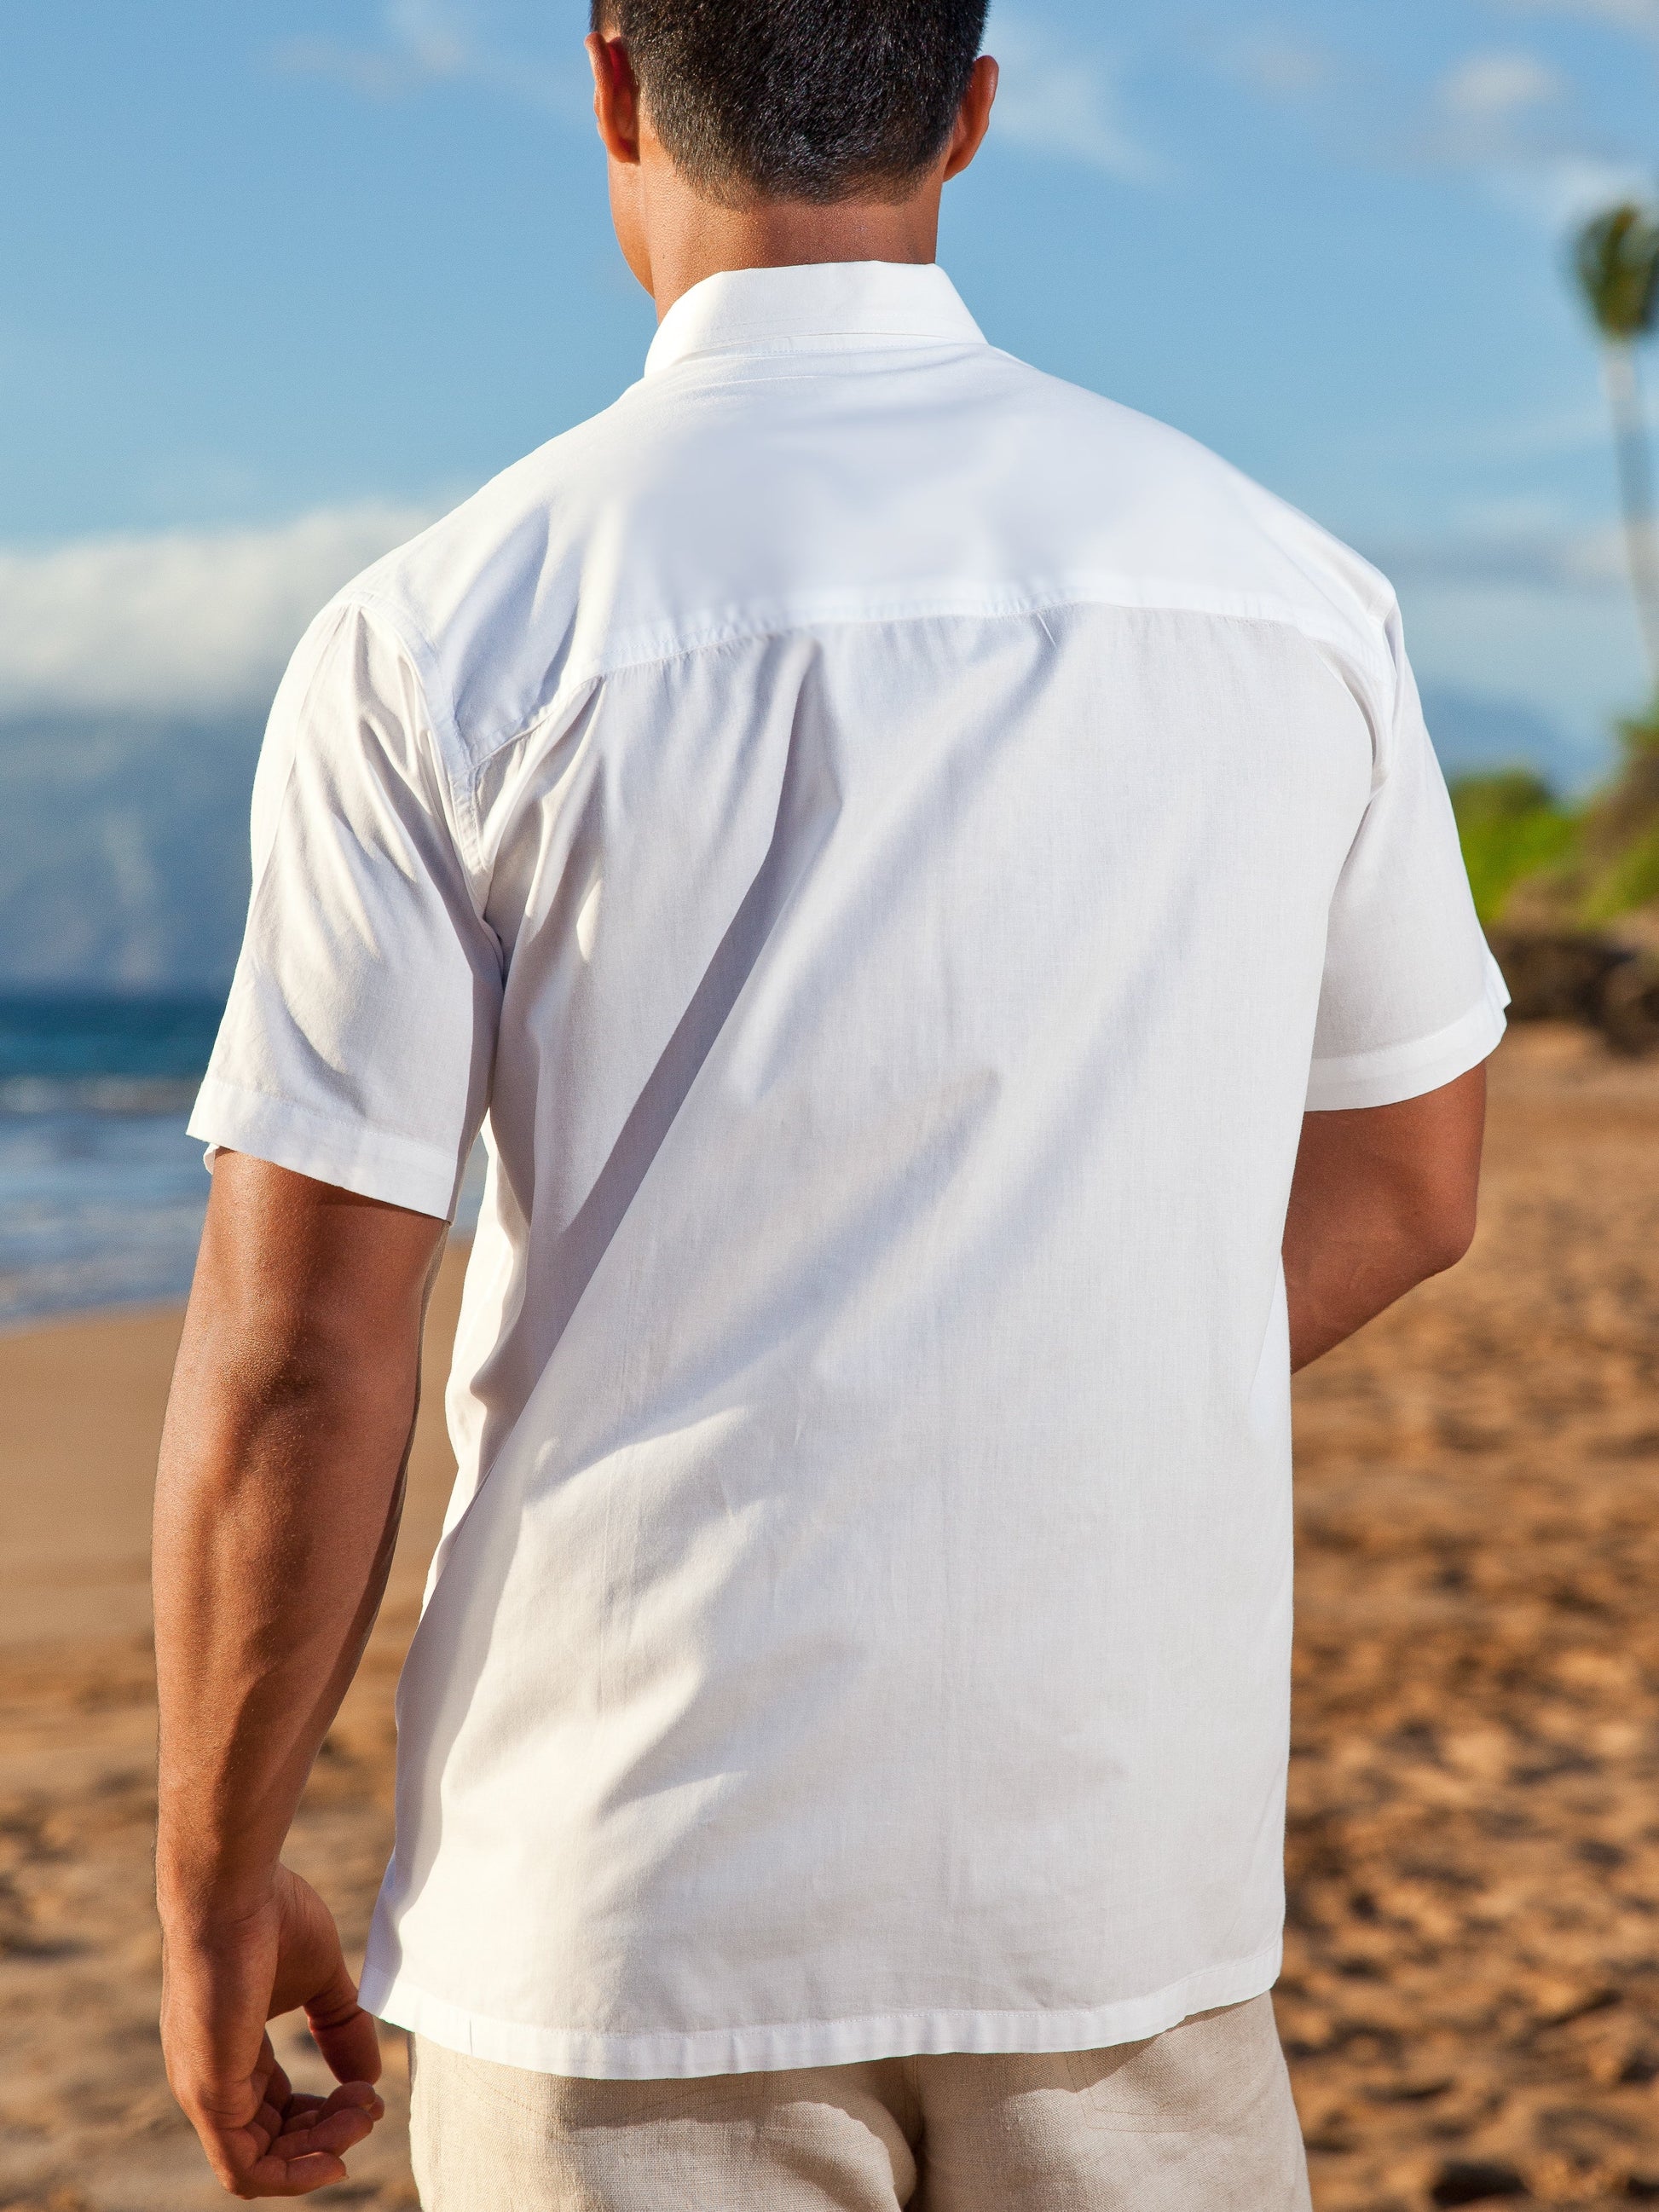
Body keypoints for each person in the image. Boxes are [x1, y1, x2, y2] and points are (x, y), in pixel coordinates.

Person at [152, 1, 1504, 2203]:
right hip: (1113, 1877)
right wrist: (1055, 1358)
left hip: (617, 1899)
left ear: (608, 84)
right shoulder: (1283, 592)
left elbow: (300, 1346)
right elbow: (1408, 1179)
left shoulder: (441, 633)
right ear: (967, 111)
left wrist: (213, 1883)